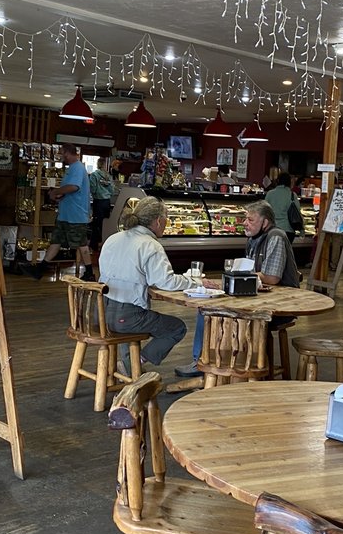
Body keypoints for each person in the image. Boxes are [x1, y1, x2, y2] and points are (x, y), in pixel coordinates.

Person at [180, 199, 300, 378]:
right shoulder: (253, 239)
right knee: (206, 306)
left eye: (250, 220)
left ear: (265, 222)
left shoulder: (276, 236)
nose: (245, 223)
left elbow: (272, 278)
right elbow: (254, 273)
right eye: (245, 219)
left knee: (218, 312)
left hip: (278, 306)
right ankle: (206, 361)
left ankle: (225, 366)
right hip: (257, 297)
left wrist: (238, 272)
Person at [98, 196, 200, 369]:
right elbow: (166, 281)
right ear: (158, 221)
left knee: (129, 319)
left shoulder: (113, 238)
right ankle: (135, 362)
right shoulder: (150, 245)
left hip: (101, 313)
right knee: (176, 328)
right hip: (127, 319)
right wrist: (195, 282)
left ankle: (129, 366)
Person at [31, 143, 94, 280]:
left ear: (67, 153)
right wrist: (61, 196)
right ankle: (40, 270)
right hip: (66, 214)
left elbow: (74, 187)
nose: (61, 157)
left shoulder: (77, 168)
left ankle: (89, 273)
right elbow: (70, 189)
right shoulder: (71, 169)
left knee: (81, 244)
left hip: (76, 216)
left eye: (62, 153)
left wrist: (56, 192)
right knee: (56, 241)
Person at [265, 172, 299, 242]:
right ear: (289, 182)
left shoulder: (270, 193)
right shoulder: (292, 195)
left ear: (278, 181)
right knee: (285, 252)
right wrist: (302, 231)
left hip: (272, 229)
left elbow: (264, 210)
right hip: (288, 230)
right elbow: (297, 212)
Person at [89, 157, 114, 249]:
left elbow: (93, 189)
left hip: (98, 201)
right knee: (105, 223)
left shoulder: (94, 175)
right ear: (105, 165)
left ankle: (94, 244)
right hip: (107, 202)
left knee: (96, 223)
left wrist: (97, 192)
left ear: (98, 164)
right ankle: (105, 243)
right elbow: (112, 190)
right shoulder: (108, 176)